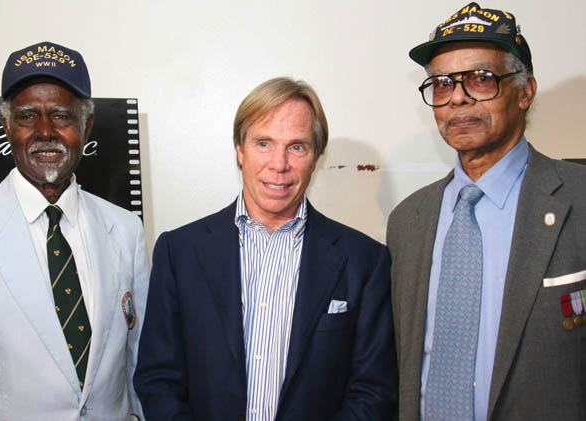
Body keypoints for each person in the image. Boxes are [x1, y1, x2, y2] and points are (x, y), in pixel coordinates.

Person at [134, 77, 397, 420]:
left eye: (297, 147)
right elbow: (158, 380)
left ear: (315, 157)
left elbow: (373, 391)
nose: (279, 164)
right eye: (263, 143)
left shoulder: (364, 260)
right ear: (240, 150)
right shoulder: (179, 252)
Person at [387, 3, 586, 420]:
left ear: (526, 91)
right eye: (442, 84)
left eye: (480, 79)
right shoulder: (408, 220)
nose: (458, 96)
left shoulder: (578, 198)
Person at [0, 41, 149, 420]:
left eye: (62, 116)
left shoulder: (126, 230)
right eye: (27, 116)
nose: (45, 132)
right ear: (6, 125)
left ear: (87, 125)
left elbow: (138, 368)